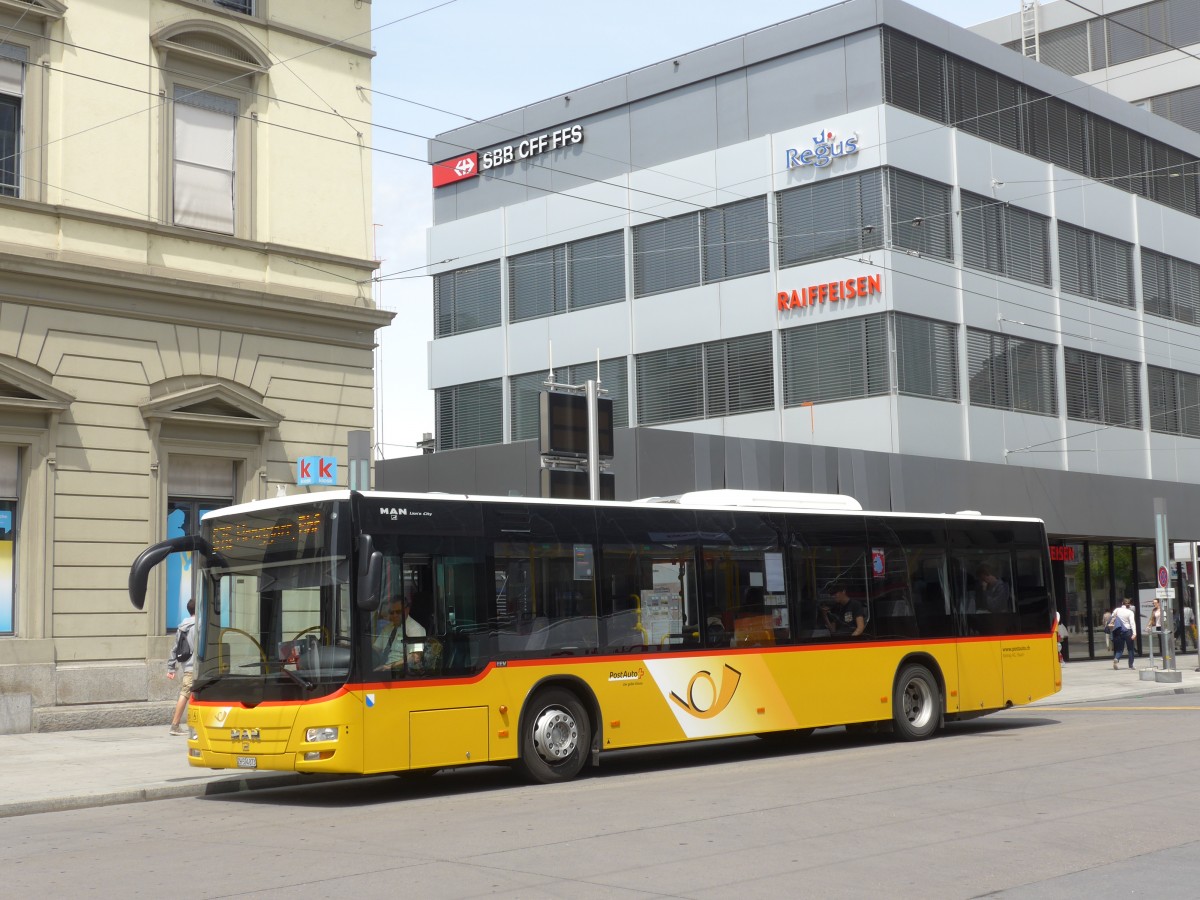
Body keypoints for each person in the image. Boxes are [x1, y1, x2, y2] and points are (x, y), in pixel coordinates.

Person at [374, 594, 427, 671]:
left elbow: (415, 657)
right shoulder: (388, 627)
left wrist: (389, 667)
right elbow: (376, 649)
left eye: (398, 612)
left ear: (407, 610)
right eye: (392, 612)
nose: (395, 615)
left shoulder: (416, 629)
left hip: (401, 672)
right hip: (383, 668)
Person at [166, 598, 196, 736]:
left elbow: (175, 648)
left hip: (187, 666)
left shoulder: (182, 626)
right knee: (185, 693)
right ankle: (175, 725)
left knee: (191, 694)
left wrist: (171, 668)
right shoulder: (199, 625)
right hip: (196, 667)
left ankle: (194, 725)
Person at [1110, 593, 1138, 669]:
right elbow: (1132, 623)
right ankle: (1131, 665)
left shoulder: (1117, 610)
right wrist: (1134, 633)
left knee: (1119, 648)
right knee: (1130, 649)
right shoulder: (1130, 612)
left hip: (1118, 631)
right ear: (1129, 605)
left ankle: (1116, 658)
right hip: (1128, 631)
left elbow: (1112, 618)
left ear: (1122, 603)